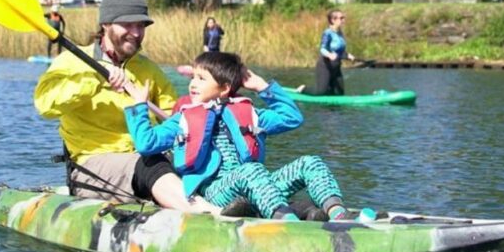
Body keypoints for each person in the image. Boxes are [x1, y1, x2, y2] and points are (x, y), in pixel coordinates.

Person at [34, 0, 215, 214]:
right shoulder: (71, 62)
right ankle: (205, 214)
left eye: (141, 25)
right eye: (127, 24)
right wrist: (94, 80)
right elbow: (44, 104)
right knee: (151, 163)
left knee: (199, 159)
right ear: (106, 24)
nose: (136, 33)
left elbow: (174, 116)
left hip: (146, 158)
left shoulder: (148, 69)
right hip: (92, 165)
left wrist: (206, 102)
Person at [126, 51, 359, 221]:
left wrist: (262, 87)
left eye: (201, 78)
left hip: (259, 187)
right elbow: (147, 143)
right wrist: (138, 108)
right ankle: (285, 218)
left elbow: (292, 117)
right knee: (250, 170)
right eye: (192, 77)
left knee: (310, 162)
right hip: (216, 193)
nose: (192, 84)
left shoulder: (251, 114)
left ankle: (336, 211)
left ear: (225, 87)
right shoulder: (183, 119)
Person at [303, 9, 355, 95]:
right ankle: (303, 89)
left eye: (343, 18)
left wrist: (347, 55)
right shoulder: (328, 33)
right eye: (341, 18)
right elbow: (322, 49)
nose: (343, 20)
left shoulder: (340, 33)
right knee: (320, 92)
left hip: (336, 66)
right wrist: (330, 55)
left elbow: (340, 51)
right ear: (333, 20)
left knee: (340, 93)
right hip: (325, 66)